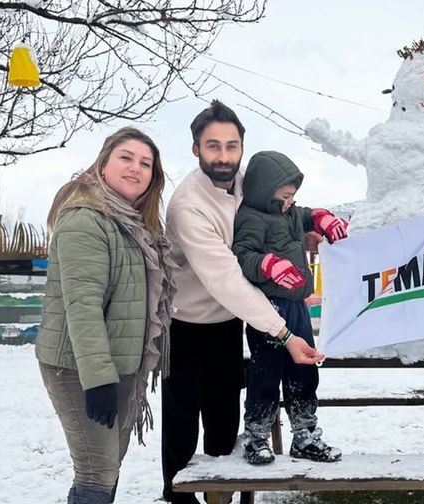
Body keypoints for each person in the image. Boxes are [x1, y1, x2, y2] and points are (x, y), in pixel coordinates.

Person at [162, 101, 323, 504]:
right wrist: (284, 333)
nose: (223, 156)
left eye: (231, 146)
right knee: (182, 426)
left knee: (223, 424)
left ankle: (222, 499)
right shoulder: (188, 206)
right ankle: (177, 497)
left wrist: (304, 233)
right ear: (196, 149)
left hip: (230, 323)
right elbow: (227, 279)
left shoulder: (249, 182)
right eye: (213, 146)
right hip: (186, 325)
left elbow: (279, 213)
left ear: (242, 148)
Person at [36, 127, 175, 504]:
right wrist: (97, 381)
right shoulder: (86, 220)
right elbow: (83, 306)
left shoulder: (136, 226)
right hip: (78, 368)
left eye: (145, 163)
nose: (136, 168)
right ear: (102, 164)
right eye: (126, 158)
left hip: (122, 366)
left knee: (108, 466)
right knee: (96, 473)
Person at [232, 150, 346, 465]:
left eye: (293, 196)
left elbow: (306, 214)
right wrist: (268, 265)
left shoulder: (290, 212)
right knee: (266, 374)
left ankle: (305, 435)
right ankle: (256, 437)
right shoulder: (251, 218)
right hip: (267, 309)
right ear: (264, 191)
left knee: (304, 371)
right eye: (284, 197)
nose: (290, 202)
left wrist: (321, 217)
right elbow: (243, 254)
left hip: (297, 307)